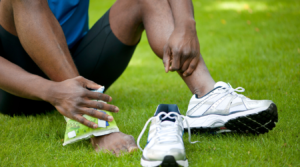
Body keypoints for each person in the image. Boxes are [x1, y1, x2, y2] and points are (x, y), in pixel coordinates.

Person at [0, 0, 277, 156]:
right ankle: (95, 124)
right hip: (18, 88)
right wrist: (51, 91)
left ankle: (208, 97)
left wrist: (185, 24)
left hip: (76, 66)